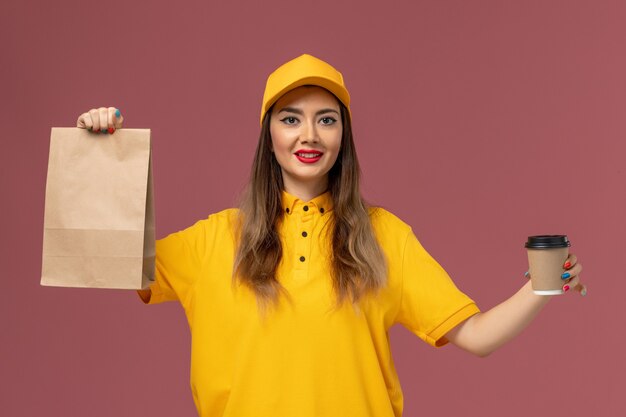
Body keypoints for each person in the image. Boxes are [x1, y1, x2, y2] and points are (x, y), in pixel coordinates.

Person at [76, 54, 585, 417]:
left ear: (343, 137)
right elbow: (109, 259)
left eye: (326, 119)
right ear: (269, 136)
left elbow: (475, 337)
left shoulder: (385, 237)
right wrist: (102, 157)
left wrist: (544, 284)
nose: (309, 135)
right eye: (290, 118)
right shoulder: (214, 239)